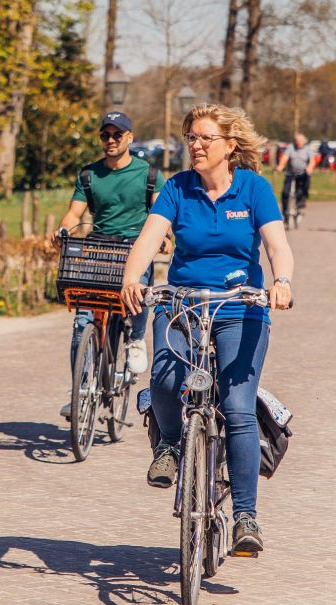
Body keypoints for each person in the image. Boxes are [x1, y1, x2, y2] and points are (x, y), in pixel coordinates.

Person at [120, 104, 294, 554]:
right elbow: (147, 239)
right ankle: (173, 446)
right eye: (190, 138)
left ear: (229, 146)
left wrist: (281, 282)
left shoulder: (254, 190)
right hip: (182, 302)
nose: (194, 145)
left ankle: (245, 517)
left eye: (203, 138)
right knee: (164, 377)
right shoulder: (177, 189)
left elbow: (277, 245)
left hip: (241, 307)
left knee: (237, 408)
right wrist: (132, 277)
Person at [51, 111, 165, 419]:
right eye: (106, 135)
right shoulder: (89, 174)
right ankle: (81, 389)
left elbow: (160, 213)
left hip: (135, 246)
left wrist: (164, 237)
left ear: (130, 137)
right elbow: (74, 214)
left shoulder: (148, 174)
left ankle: (137, 339)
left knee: (138, 290)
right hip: (100, 247)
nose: (111, 140)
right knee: (81, 322)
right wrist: (63, 231)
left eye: (118, 135)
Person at [276, 133, 317, 226]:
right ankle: (285, 214)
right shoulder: (291, 147)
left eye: (299, 141)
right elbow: (284, 158)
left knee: (304, 185)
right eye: (296, 141)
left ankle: (302, 200)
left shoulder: (307, 149)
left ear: (303, 142)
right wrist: (280, 167)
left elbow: (312, 161)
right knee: (285, 193)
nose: (298, 143)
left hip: (302, 174)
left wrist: (309, 168)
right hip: (290, 173)